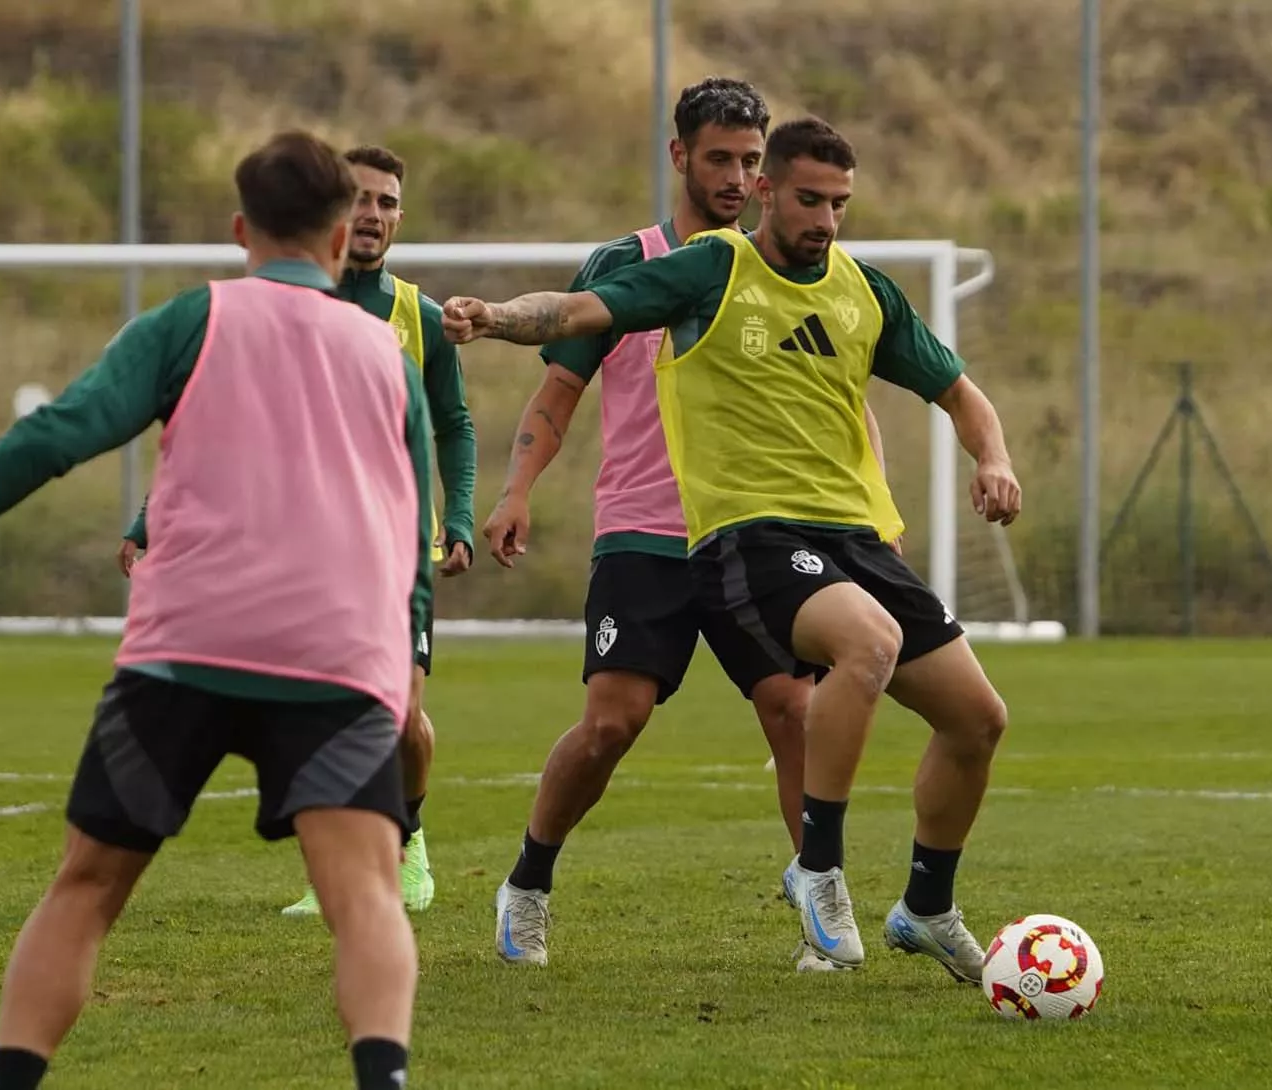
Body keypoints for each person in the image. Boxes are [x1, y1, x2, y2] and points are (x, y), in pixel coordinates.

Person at [0, 130, 431, 1090]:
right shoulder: (388, 355)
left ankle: (10, 1083)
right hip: (336, 657)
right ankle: (383, 1079)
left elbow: (55, 436)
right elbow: (412, 520)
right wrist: (398, 657)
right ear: (340, 228)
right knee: (365, 895)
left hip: (184, 652)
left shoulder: (192, 322)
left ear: (240, 228)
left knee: (87, 887)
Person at [443, 116, 1021, 983]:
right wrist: (494, 318)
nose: (825, 219)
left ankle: (924, 907)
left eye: (839, 204)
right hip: (728, 534)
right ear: (760, 193)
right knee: (630, 717)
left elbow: (958, 392)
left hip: (851, 536)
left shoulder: (865, 291)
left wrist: (995, 456)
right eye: (807, 199)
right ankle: (808, 873)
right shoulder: (707, 267)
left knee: (977, 718)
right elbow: (573, 317)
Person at [482, 79, 899, 970]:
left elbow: (842, 401)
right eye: (721, 159)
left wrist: (871, 516)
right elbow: (560, 389)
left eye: (753, 162)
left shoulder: (796, 271)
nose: (739, 177)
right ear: (679, 156)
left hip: (763, 531)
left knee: (795, 707)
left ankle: (820, 908)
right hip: (647, 534)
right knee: (612, 722)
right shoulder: (625, 265)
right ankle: (528, 879)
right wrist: (516, 489)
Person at [121, 144, 478, 918]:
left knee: (400, 714)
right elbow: (221, 420)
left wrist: (457, 516)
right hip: (305, 551)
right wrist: (152, 513)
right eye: (361, 201)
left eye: (388, 202)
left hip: (394, 552)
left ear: (400, 218)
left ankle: (408, 840)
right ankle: (351, 871)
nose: (374, 215)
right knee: (326, 708)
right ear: (330, 215)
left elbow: (452, 423)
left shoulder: (419, 315)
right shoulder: (280, 312)